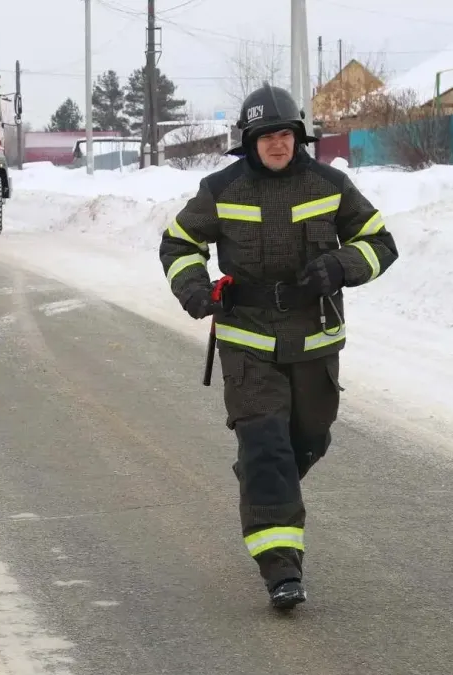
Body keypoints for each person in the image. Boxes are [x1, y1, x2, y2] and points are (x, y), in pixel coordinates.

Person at [158, 84, 398, 610]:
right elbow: (179, 243)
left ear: (298, 138)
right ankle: (281, 567)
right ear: (249, 141)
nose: (277, 144)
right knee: (267, 446)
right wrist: (193, 286)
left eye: (285, 134)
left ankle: (265, 480)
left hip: (315, 339)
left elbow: (381, 242)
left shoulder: (330, 185)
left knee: (307, 439)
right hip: (246, 341)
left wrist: (340, 265)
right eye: (266, 136)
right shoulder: (221, 188)